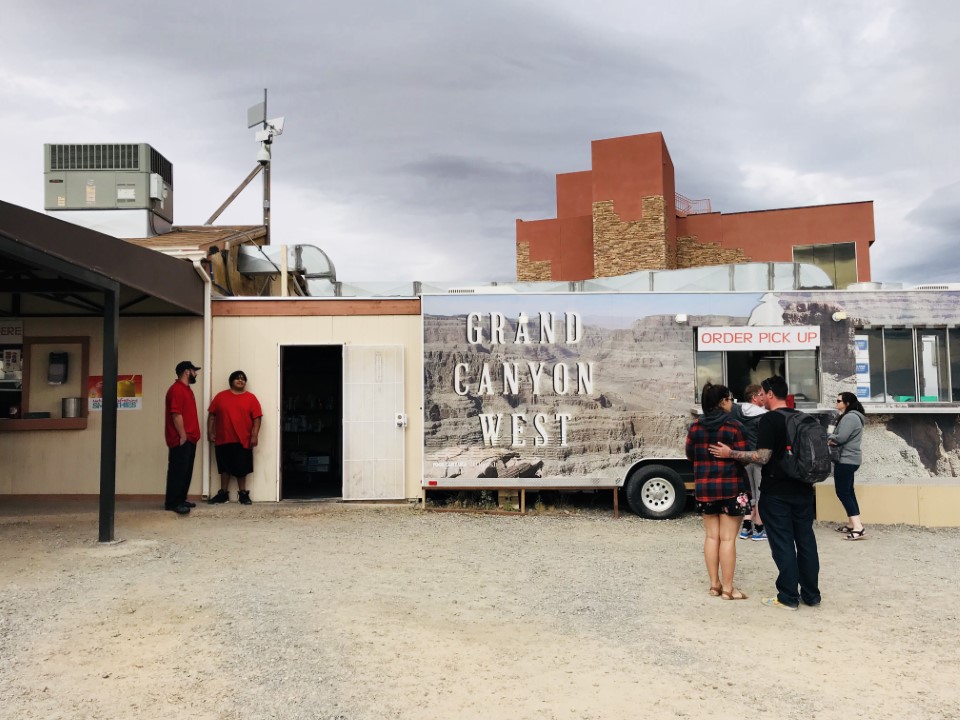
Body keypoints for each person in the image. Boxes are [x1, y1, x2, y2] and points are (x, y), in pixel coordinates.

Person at [709, 376, 821, 611]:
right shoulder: (801, 417)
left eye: (762, 393)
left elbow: (762, 457)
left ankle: (788, 597)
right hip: (803, 490)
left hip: (777, 491)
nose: (760, 397)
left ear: (770, 394)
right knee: (806, 542)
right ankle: (811, 595)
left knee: (783, 543)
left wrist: (731, 453)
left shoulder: (770, 419)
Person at [686, 383, 750, 600]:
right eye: (730, 399)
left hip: (705, 488)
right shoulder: (734, 426)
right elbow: (745, 457)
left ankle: (714, 585)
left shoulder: (695, 427)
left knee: (712, 537)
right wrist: (731, 454)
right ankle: (729, 589)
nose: (732, 403)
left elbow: (690, 455)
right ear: (723, 401)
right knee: (728, 539)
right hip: (732, 487)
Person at [207, 370, 263, 505]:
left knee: (242, 469)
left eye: (243, 378)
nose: (240, 380)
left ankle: (243, 494)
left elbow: (257, 418)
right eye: (237, 378)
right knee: (224, 468)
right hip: (223, 439)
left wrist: (254, 435)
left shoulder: (251, 398)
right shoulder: (220, 397)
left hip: (243, 439)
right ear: (231, 381)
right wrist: (210, 432)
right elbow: (212, 415)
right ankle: (223, 494)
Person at [729, 384, 767, 541]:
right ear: (754, 397)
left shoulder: (737, 411)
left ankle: (746, 527)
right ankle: (758, 528)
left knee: (749, 493)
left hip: (743, 458)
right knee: (761, 493)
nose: (764, 397)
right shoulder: (763, 414)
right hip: (759, 457)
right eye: (762, 394)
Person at [164, 361, 202, 515]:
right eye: (194, 371)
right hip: (181, 439)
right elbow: (176, 414)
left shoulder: (186, 389)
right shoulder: (176, 390)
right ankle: (173, 503)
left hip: (190, 438)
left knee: (186, 471)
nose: (196, 374)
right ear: (187, 371)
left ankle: (180, 499)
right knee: (178, 471)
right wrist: (183, 435)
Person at [830, 391, 866, 540]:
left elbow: (840, 438)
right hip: (850, 460)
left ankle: (858, 527)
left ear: (847, 403)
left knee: (843, 492)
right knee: (849, 492)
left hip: (846, 459)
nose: (836, 403)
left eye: (839, 401)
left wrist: (827, 437)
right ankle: (852, 524)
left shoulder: (850, 417)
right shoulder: (853, 416)